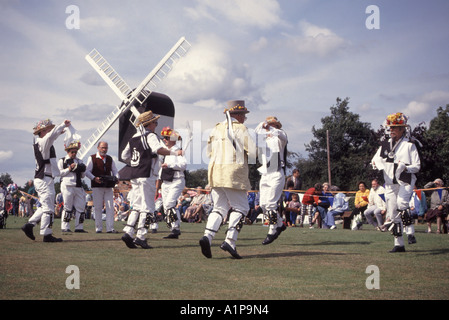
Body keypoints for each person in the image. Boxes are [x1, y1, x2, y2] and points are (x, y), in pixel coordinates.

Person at [199, 100, 256, 259]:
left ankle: (207, 238)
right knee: (241, 208)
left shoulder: (215, 129)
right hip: (233, 173)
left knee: (219, 208)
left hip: (215, 173)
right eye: (243, 115)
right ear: (237, 115)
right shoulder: (240, 128)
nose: (244, 118)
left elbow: (209, 152)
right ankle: (230, 241)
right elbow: (252, 152)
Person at [120, 111, 183, 249]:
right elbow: (158, 149)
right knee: (148, 207)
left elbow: (124, 155)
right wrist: (174, 152)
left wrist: (135, 162)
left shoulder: (133, 138)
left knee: (136, 205)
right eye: (155, 122)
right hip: (146, 174)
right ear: (149, 124)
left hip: (135, 174)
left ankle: (129, 231)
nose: (156, 125)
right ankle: (141, 236)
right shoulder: (150, 135)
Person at [372, 112, 421, 252]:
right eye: (390, 128)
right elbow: (376, 159)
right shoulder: (385, 145)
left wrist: (405, 167)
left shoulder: (409, 145)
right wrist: (377, 165)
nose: (391, 130)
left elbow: (417, 166)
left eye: (394, 128)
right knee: (392, 212)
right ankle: (399, 244)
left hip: (405, 181)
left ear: (402, 129)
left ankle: (410, 232)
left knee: (402, 204)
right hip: (390, 182)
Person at [22, 118, 71, 242]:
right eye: (48, 129)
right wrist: (62, 126)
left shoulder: (41, 142)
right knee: (48, 209)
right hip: (44, 178)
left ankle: (30, 225)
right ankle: (46, 234)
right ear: (43, 131)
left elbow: (51, 137)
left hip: (44, 178)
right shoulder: (44, 142)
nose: (50, 131)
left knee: (45, 206)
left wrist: (58, 132)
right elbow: (51, 137)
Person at [255, 116, 288, 244]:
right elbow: (256, 135)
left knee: (271, 204)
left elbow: (281, 134)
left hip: (276, 172)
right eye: (270, 124)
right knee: (263, 205)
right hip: (265, 173)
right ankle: (280, 223)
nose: (272, 127)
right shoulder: (263, 140)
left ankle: (273, 229)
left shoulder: (281, 138)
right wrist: (261, 125)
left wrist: (269, 127)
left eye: (274, 125)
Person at [159, 126, 187, 239]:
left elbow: (183, 165)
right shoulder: (165, 152)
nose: (164, 140)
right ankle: (174, 228)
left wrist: (169, 165)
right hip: (166, 180)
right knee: (166, 206)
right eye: (164, 138)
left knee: (170, 203)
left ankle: (175, 229)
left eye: (166, 138)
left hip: (177, 179)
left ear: (172, 139)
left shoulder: (178, 151)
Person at [85, 141, 119, 234]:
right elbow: (87, 171)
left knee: (110, 206)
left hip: (108, 186)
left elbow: (115, 170)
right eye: (102, 148)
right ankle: (98, 228)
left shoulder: (109, 159)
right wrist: (94, 178)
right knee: (98, 207)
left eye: (106, 148)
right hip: (97, 186)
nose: (104, 150)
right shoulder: (92, 158)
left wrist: (117, 178)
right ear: (98, 148)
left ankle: (110, 228)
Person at [58, 135, 87, 233]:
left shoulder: (80, 161)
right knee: (67, 206)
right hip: (67, 185)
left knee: (81, 206)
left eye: (75, 152)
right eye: (72, 152)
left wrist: (82, 168)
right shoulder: (62, 161)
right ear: (67, 151)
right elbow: (59, 173)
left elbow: (83, 175)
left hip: (78, 185)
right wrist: (69, 168)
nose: (74, 153)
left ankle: (79, 227)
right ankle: (65, 227)